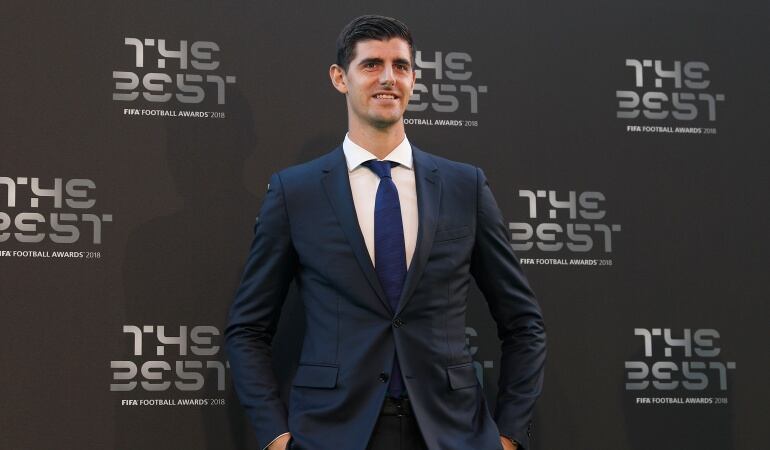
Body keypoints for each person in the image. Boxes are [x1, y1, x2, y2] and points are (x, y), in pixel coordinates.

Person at [225, 14, 546, 450]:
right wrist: (275, 439)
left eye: (400, 66)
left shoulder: (464, 187)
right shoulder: (295, 192)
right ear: (340, 77)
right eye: (372, 64)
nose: (388, 78)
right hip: (332, 434)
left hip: (452, 433)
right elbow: (248, 328)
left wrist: (508, 435)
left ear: (414, 78)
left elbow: (523, 322)